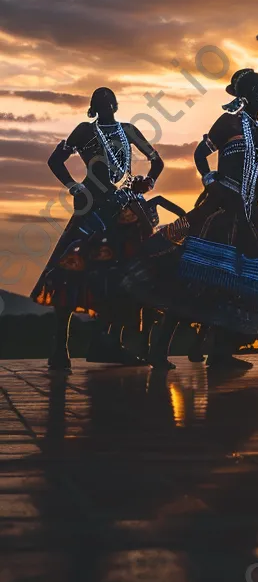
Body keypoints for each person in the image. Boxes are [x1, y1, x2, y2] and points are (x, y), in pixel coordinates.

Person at [121, 69, 258, 371]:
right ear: (242, 95)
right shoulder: (229, 123)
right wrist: (211, 182)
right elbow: (200, 153)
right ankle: (158, 350)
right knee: (195, 280)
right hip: (218, 215)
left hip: (248, 219)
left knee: (237, 285)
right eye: (256, 88)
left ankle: (220, 353)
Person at [32, 88, 164, 372]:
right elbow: (55, 161)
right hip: (90, 208)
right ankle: (60, 348)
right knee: (70, 272)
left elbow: (157, 162)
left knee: (125, 274)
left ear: (116, 105)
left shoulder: (129, 130)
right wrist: (73, 186)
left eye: (109, 101)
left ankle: (109, 342)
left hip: (124, 210)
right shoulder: (83, 131)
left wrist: (147, 182)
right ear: (93, 107)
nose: (106, 105)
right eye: (100, 102)